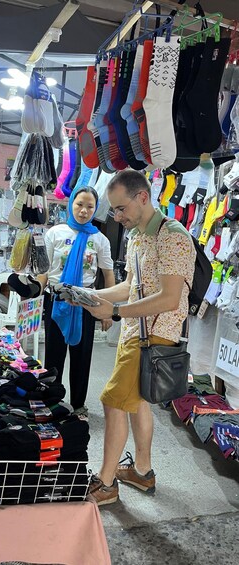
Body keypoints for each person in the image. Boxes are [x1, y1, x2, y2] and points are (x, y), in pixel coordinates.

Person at [81, 169, 196, 505]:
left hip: (156, 335)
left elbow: (169, 297)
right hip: (136, 331)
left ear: (142, 197)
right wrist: (96, 296)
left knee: (113, 400)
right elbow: (130, 288)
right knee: (135, 403)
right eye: (114, 210)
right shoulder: (137, 236)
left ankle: (105, 484)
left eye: (120, 208)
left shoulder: (172, 236)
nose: (117, 216)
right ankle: (142, 473)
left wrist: (115, 312)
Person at [36, 185, 115, 417]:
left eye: (90, 206)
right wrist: (35, 290)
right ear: (71, 204)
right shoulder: (55, 233)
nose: (83, 210)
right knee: (53, 354)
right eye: (80, 204)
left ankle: (78, 404)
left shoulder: (100, 239)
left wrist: (109, 310)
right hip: (57, 299)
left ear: (95, 209)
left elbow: (108, 274)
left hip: (87, 302)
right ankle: (52, 401)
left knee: (82, 355)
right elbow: (44, 270)